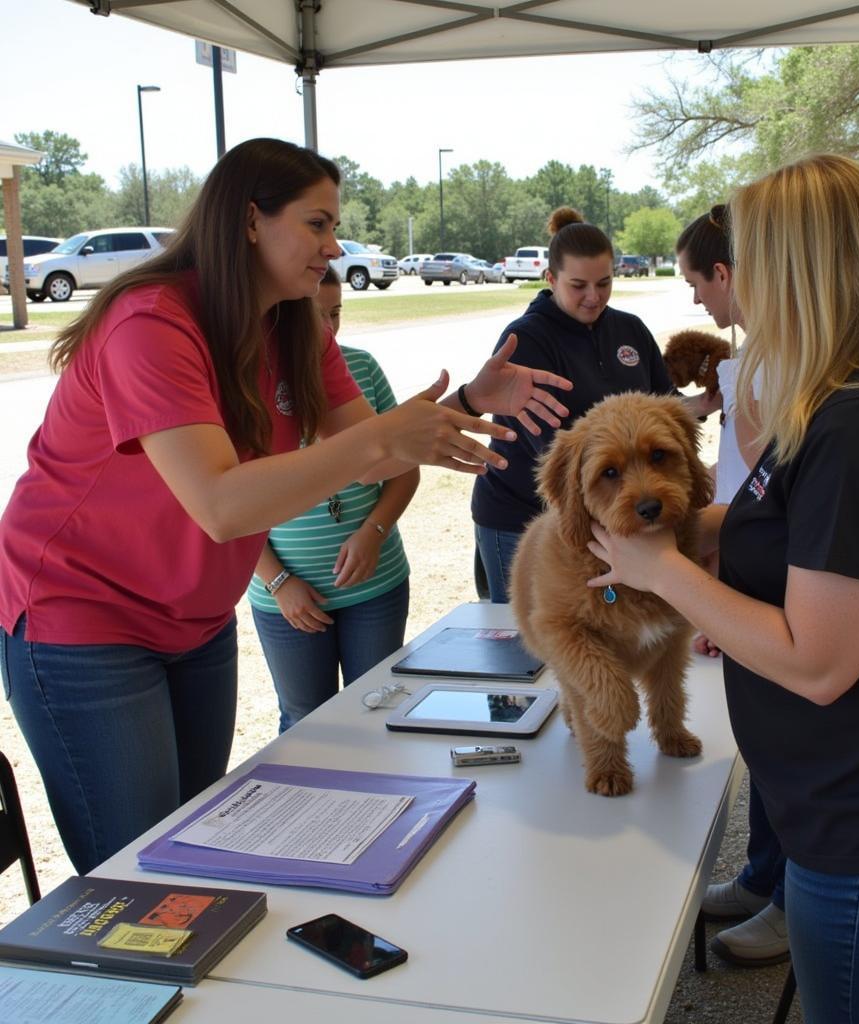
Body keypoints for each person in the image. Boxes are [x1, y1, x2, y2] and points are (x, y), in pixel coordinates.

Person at [0, 137, 572, 875]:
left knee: (191, 846)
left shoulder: (293, 322)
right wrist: (380, 439)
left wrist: (458, 406)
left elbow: (371, 459)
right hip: (80, 617)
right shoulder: (152, 323)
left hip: (194, 618)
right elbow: (220, 505)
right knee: (139, 872)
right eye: (317, 224)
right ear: (248, 222)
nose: (333, 248)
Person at [587, 154, 859, 1023]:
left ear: (794, 269)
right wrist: (680, 534)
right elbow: (793, 539)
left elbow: (819, 662)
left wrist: (662, 570)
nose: (732, 280)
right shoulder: (840, 400)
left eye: (744, 257)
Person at [676, 205, 786, 967]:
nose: (695, 302)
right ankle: (764, 876)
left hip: (773, 582)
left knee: (783, 745)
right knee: (762, 738)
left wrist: (707, 580)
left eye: (696, 281)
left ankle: (789, 899)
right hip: (746, 565)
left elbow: (763, 496)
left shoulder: (775, 366)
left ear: (727, 273)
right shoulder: (750, 361)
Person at [471, 206, 674, 603]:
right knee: (529, 640)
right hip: (520, 517)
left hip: (606, 509)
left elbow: (665, 406)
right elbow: (552, 452)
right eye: (578, 285)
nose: (593, 297)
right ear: (550, 278)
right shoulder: (525, 340)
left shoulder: (630, 329)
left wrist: (709, 401)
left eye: (604, 282)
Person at [248, 267, 417, 732]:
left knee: (378, 712)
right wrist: (279, 582)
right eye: (316, 316)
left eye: (337, 313)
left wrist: (373, 533)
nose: (328, 330)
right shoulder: (248, 382)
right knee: (306, 721)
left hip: (375, 586)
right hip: (287, 597)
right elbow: (230, 504)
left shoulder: (361, 367)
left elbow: (403, 472)